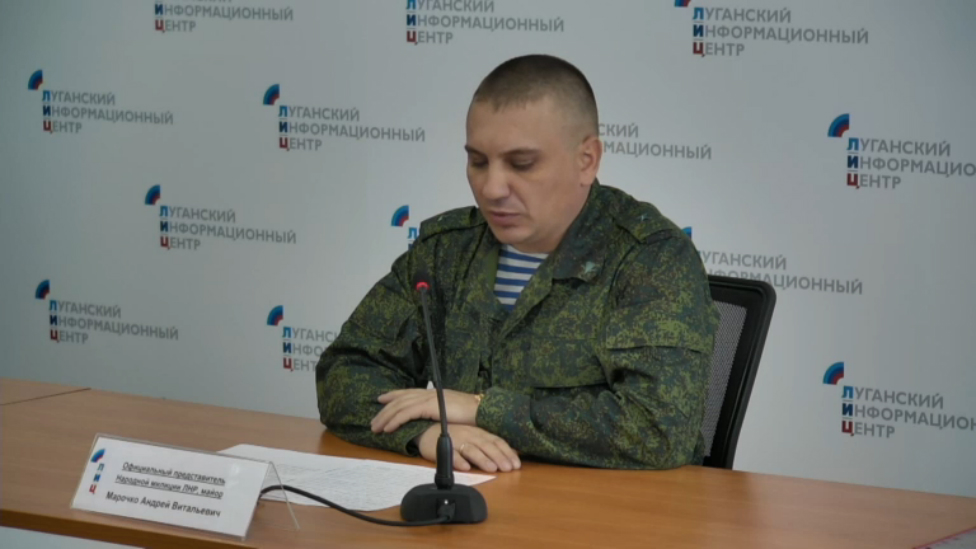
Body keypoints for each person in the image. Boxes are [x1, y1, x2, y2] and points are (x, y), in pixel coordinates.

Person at [316, 54, 719, 473]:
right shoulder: (446, 251)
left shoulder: (651, 257)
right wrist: (427, 433)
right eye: (478, 161)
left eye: (521, 164)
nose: (492, 188)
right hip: (473, 500)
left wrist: (481, 409)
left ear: (587, 160)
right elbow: (344, 373)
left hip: (608, 507)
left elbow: (659, 428)